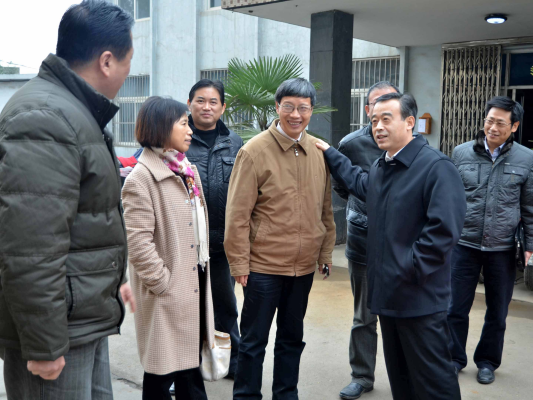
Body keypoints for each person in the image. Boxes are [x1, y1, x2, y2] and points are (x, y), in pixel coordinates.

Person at [0, 1, 135, 399]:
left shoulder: (75, 111)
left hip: (81, 316)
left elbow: (87, 219)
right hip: (59, 331)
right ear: (106, 61)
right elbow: (30, 246)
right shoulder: (46, 117)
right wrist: (44, 342)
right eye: (128, 63)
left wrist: (113, 280)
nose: (127, 74)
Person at [316, 92, 465, 400]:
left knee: (433, 381)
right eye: (374, 121)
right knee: (402, 378)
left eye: (386, 119)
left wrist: (408, 270)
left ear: (410, 122)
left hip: (419, 297)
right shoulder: (383, 166)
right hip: (388, 295)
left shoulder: (436, 167)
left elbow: (443, 233)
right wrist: (330, 153)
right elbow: (359, 183)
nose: (378, 127)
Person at [224, 78, 336, 399]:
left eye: (303, 108)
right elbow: (237, 214)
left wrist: (325, 253)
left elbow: (325, 209)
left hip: (303, 267)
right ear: (277, 107)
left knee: (291, 339)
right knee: (253, 341)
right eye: (288, 106)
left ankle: (286, 394)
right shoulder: (254, 151)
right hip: (263, 267)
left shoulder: (318, 151)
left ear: (311, 110)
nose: (295, 114)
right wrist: (239, 263)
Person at [122, 96, 215, 400]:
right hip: (168, 290)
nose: (190, 130)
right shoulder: (141, 179)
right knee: (161, 374)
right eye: (183, 124)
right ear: (162, 127)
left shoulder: (187, 171)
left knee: (190, 367)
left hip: (194, 281)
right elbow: (138, 244)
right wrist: (164, 283)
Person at [447, 96, 533, 385]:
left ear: (514, 126)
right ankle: (453, 358)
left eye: (500, 123)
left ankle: (487, 362)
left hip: (502, 248)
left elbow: (529, 207)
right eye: (489, 121)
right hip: (464, 244)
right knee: (455, 307)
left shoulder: (526, 159)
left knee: (497, 311)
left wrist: (530, 246)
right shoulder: (461, 153)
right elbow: (448, 199)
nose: (493, 127)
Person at [333, 81, 399, 400]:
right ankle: (361, 375)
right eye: (377, 104)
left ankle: (405, 376)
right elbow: (342, 185)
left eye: (390, 102)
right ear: (367, 108)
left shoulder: (412, 143)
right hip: (363, 240)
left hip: (401, 245)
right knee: (364, 314)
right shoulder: (350, 144)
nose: (382, 111)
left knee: (401, 315)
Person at [186, 79, 243, 378]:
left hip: (221, 244)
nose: (206, 107)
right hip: (185, 244)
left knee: (225, 306)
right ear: (189, 104)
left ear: (222, 107)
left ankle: (232, 364)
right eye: (200, 100)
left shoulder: (235, 143)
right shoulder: (176, 137)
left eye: (213, 102)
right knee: (187, 309)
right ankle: (185, 369)